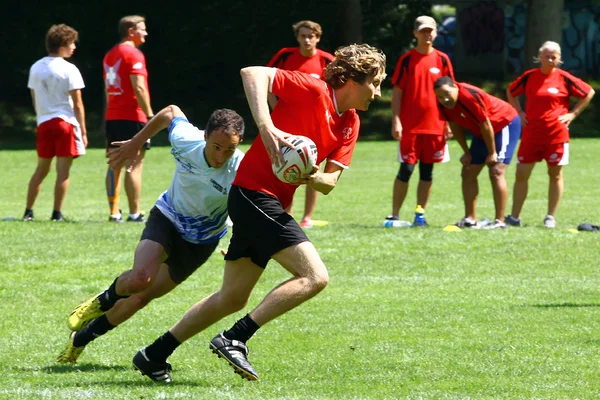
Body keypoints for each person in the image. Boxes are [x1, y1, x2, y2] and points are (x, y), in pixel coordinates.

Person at [130, 44, 386, 383]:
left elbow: (330, 182)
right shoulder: (313, 89)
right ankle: (235, 337)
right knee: (315, 277)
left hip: (270, 204)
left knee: (232, 297)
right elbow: (252, 73)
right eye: (376, 82)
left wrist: (312, 176)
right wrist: (266, 127)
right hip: (252, 193)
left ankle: (153, 354)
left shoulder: (350, 124)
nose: (379, 92)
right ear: (353, 79)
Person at [57, 105, 245, 367]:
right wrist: (136, 142)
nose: (221, 156)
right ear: (205, 136)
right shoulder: (186, 140)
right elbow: (170, 112)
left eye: (229, 150)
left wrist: (240, 245)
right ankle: (101, 301)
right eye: (216, 146)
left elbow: (249, 210)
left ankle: (80, 340)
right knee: (140, 278)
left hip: (200, 242)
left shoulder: (240, 168)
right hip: (167, 218)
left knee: (141, 298)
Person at [504, 41, 595, 228]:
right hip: (531, 134)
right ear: (540, 56)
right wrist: (519, 112)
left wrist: (573, 114)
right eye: (547, 55)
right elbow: (511, 91)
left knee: (555, 175)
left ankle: (550, 217)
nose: (551, 58)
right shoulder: (529, 77)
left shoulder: (564, 78)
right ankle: (514, 217)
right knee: (521, 174)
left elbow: (588, 92)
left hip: (556, 136)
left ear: (560, 58)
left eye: (555, 56)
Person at [386, 15, 454, 226]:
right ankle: (395, 214)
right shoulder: (407, 60)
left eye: (430, 31)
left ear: (434, 33)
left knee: (427, 171)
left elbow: (452, 94)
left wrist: (450, 122)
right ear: (415, 33)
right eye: (423, 31)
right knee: (405, 170)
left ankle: (420, 214)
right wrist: (396, 120)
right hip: (411, 127)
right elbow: (397, 92)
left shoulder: (442, 59)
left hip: (435, 126)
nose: (427, 34)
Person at [267, 20, 334, 228]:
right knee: (286, 164)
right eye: (303, 35)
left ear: (318, 37)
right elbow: (266, 82)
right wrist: (275, 109)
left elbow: (335, 93)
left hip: (315, 124)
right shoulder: (285, 56)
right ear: (297, 37)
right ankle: (286, 213)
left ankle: (307, 217)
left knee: (313, 167)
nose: (307, 39)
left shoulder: (327, 60)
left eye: (311, 36)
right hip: (287, 123)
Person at [433, 76, 521, 229]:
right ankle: (470, 219)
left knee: (496, 170)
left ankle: (499, 222)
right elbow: (454, 124)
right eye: (440, 96)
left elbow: (485, 123)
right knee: (468, 171)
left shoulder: (468, 95)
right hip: (482, 132)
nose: (444, 99)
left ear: (455, 87)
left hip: (504, 123)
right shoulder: (443, 104)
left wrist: (492, 153)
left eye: (447, 93)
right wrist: (466, 152)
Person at [23, 24, 87, 222]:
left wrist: (41, 117)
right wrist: (83, 131)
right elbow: (77, 103)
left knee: (41, 169)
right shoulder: (69, 69)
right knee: (63, 172)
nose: (74, 47)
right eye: (71, 43)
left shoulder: (35, 67)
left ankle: (28, 212)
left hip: (44, 123)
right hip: (65, 123)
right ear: (63, 44)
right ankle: (57, 213)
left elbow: (35, 98)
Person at [103, 15, 154, 223]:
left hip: (112, 116)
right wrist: (150, 115)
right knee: (134, 165)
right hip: (133, 116)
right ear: (131, 31)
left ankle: (114, 212)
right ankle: (134, 213)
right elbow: (139, 86)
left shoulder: (109, 55)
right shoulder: (134, 54)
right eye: (142, 29)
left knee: (114, 164)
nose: (146, 33)